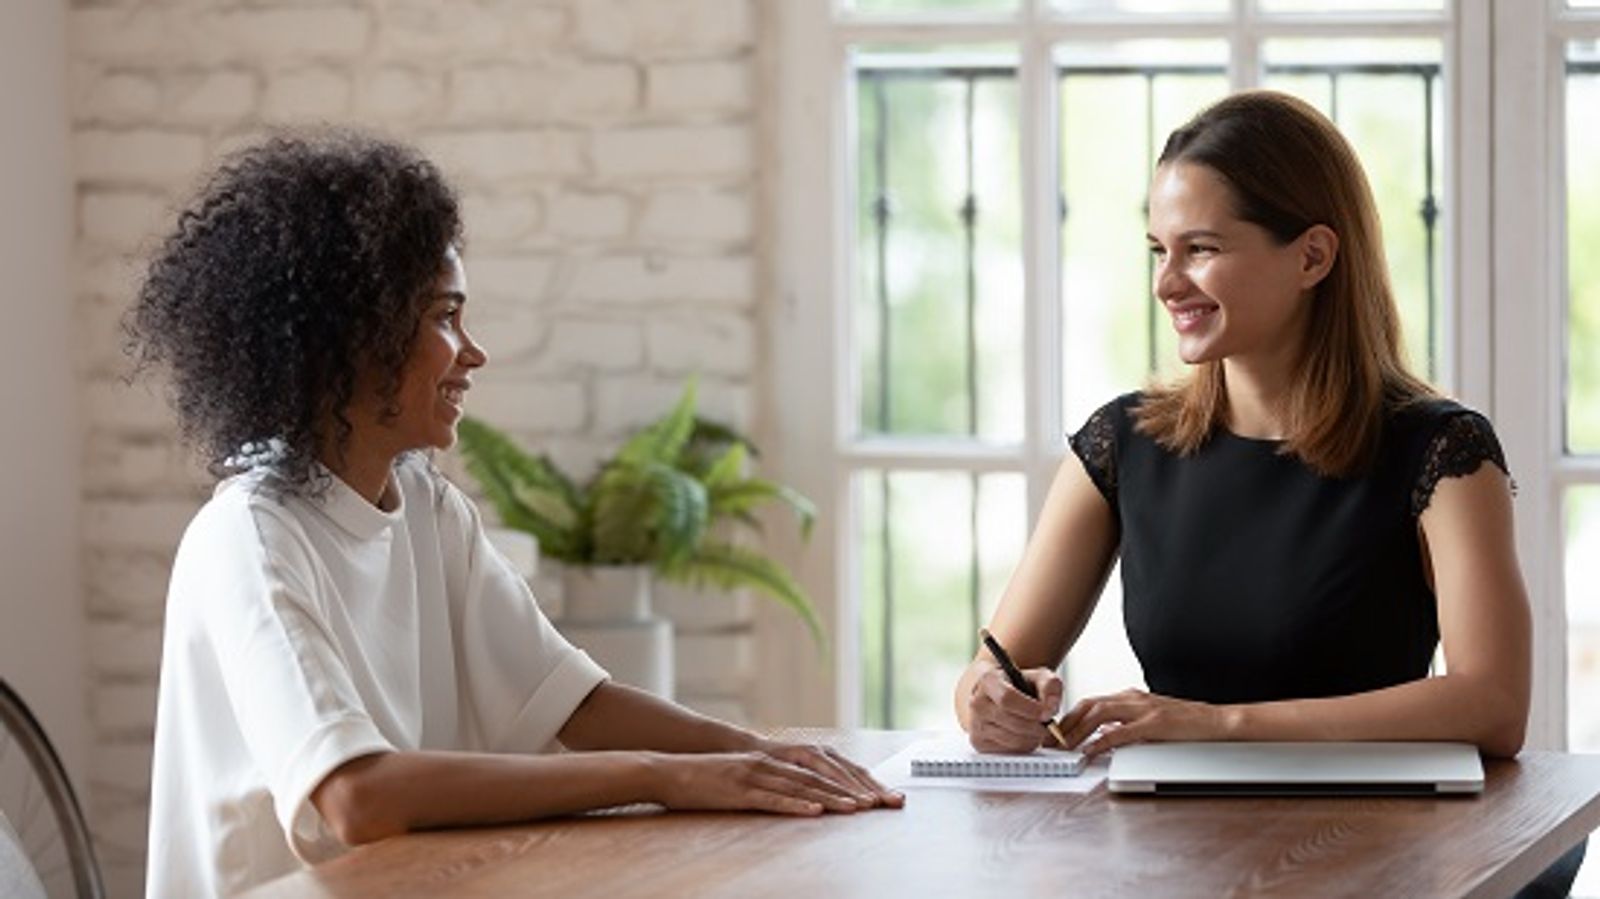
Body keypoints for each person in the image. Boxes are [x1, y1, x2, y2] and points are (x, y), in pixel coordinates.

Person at [130, 130, 901, 898]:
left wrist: (753, 757)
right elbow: (357, 796)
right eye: (444, 316)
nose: (473, 352)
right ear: (349, 340)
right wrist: (665, 776)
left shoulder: (427, 506)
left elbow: (577, 702)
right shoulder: (252, 539)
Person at [954, 91, 1584, 895]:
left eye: (1201, 248)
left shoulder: (1441, 450)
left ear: (1313, 257)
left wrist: (1216, 725)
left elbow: (1493, 703)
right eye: (1159, 250)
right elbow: (996, 664)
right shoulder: (1122, 444)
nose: (1167, 283)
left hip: (1379, 853)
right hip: (1175, 854)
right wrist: (989, 700)